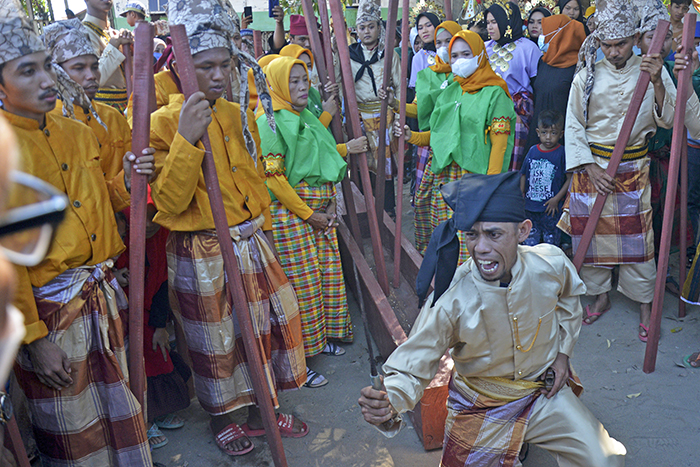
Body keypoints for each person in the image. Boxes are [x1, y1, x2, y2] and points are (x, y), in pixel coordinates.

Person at [359, 172, 627, 467]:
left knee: (605, 460)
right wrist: (390, 401)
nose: (481, 248)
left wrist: (562, 355)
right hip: (481, 406)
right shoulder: (453, 299)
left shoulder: (549, 263)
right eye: (472, 235)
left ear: (523, 231)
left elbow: (568, 301)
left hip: (542, 393)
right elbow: (413, 364)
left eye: (494, 234)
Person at [149, 0, 308, 456]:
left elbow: (254, 179)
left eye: (224, 65)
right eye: (205, 67)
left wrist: (265, 227)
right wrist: (185, 137)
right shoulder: (163, 120)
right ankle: (224, 417)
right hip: (202, 249)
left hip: (250, 238)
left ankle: (263, 408)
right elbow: (172, 201)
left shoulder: (237, 111)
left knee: (267, 329)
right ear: (182, 65)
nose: (218, 76)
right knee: (216, 341)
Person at [0, 1, 156, 464]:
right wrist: (34, 338)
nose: (49, 80)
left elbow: (99, 201)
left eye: (47, 67)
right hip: (50, 311)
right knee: (74, 430)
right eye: (28, 71)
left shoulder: (77, 131)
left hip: (98, 295)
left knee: (119, 408)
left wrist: (127, 179)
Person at [559, 0, 689, 341]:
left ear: (634, 38)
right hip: (592, 170)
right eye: (607, 45)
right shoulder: (586, 74)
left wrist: (660, 80)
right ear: (599, 43)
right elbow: (573, 124)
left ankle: (644, 302)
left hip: (633, 168)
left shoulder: (650, 70)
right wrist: (587, 165)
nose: (614, 52)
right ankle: (599, 294)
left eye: (620, 44)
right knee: (590, 238)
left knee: (638, 240)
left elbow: (669, 117)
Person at [256, 56, 367, 387]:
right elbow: (274, 180)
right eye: (293, 81)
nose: (303, 87)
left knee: (324, 277)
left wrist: (330, 202)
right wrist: (310, 214)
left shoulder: (304, 116)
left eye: (305, 79)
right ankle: (297, 361)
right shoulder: (270, 122)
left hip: (319, 211)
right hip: (293, 215)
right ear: (275, 84)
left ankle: (319, 343)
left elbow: (325, 156)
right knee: (300, 287)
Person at [397, 29, 515, 265]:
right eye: (455, 56)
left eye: (466, 54)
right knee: (442, 236)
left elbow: (499, 146)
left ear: (480, 55)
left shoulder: (495, 94)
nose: (459, 61)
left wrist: (488, 189)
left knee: (468, 242)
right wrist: (413, 136)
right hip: (443, 175)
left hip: (473, 179)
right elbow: (440, 134)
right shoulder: (451, 89)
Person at [113, 203, 191, 450]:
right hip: (119, 313)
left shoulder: (161, 237)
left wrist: (160, 325)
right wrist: (113, 277)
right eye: (141, 218)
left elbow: (160, 280)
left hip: (147, 312)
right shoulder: (117, 234)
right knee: (129, 366)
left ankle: (156, 413)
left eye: (154, 218)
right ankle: (142, 421)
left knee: (158, 356)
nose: (148, 226)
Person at [43, 18, 132, 180]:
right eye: (78, 68)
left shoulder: (113, 118)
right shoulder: (47, 123)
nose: (91, 76)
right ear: (56, 73)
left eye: (94, 67)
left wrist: (127, 182)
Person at [406, 20, 462, 255]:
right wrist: (394, 105)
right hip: (431, 148)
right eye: (438, 42)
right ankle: (431, 252)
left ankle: (456, 256)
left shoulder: (468, 77)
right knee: (424, 201)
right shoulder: (429, 76)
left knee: (453, 207)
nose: (442, 47)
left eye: (447, 42)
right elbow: (417, 109)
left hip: (458, 154)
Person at [346, 0, 402, 218]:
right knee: (363, 164)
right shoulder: (348, 56)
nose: (366, 31)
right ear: (356, 30)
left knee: (385, 166)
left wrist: (396, 113)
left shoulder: (389, 55)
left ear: (380, 28)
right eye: (362, 27)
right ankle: (367, 207)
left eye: (371, 26)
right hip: (360, 116)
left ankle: (388, 209)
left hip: (384, 116)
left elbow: (398, 87)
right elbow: (342, 86)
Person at [485, 2, 542, 170]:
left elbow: (536, 84)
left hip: (517, 111)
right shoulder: (485, 48)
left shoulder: (529, 48)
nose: (489, 27)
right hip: (489, 109)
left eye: (494, 22)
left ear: (507, 21)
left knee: (511, 158)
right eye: (488, 22)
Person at [524, 14, 587, 151]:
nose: (541, 34)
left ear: (559, 34)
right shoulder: (543, 62)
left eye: (546, 31)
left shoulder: (578, 67)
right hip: (540, 135)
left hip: (563, 136)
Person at [520, 109, 571, 247]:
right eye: (544, 132)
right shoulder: (533, 151)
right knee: (530, 244)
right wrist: (521, 195)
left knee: (551, 245)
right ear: (538, 132)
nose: (548, 137)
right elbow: (524, 174)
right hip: (530, 208)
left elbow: (570, 179)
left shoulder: (562, 152)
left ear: (561, 134)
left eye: (553, 133)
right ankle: (531, 268)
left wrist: (556, 199)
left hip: (551, 210)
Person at [82, 0, 133, 112]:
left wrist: (132, 51)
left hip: (126, 107)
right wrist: (113, 47)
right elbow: (93, 79)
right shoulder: (81, 33)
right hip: (104, 112)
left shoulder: (115, 33)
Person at [279, 44, 339, 123]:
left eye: (309, 65)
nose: (305, 70)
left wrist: (323, 97)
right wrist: (327, 115)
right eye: (300, 65)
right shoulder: (284, 101)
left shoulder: (312, 92)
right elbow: (306, 133)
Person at [409, 12, 441, 89]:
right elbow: (417, 88)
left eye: (428, 25)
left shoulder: (446, 51)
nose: (424, 31)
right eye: (420, 28)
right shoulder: (418, 57)